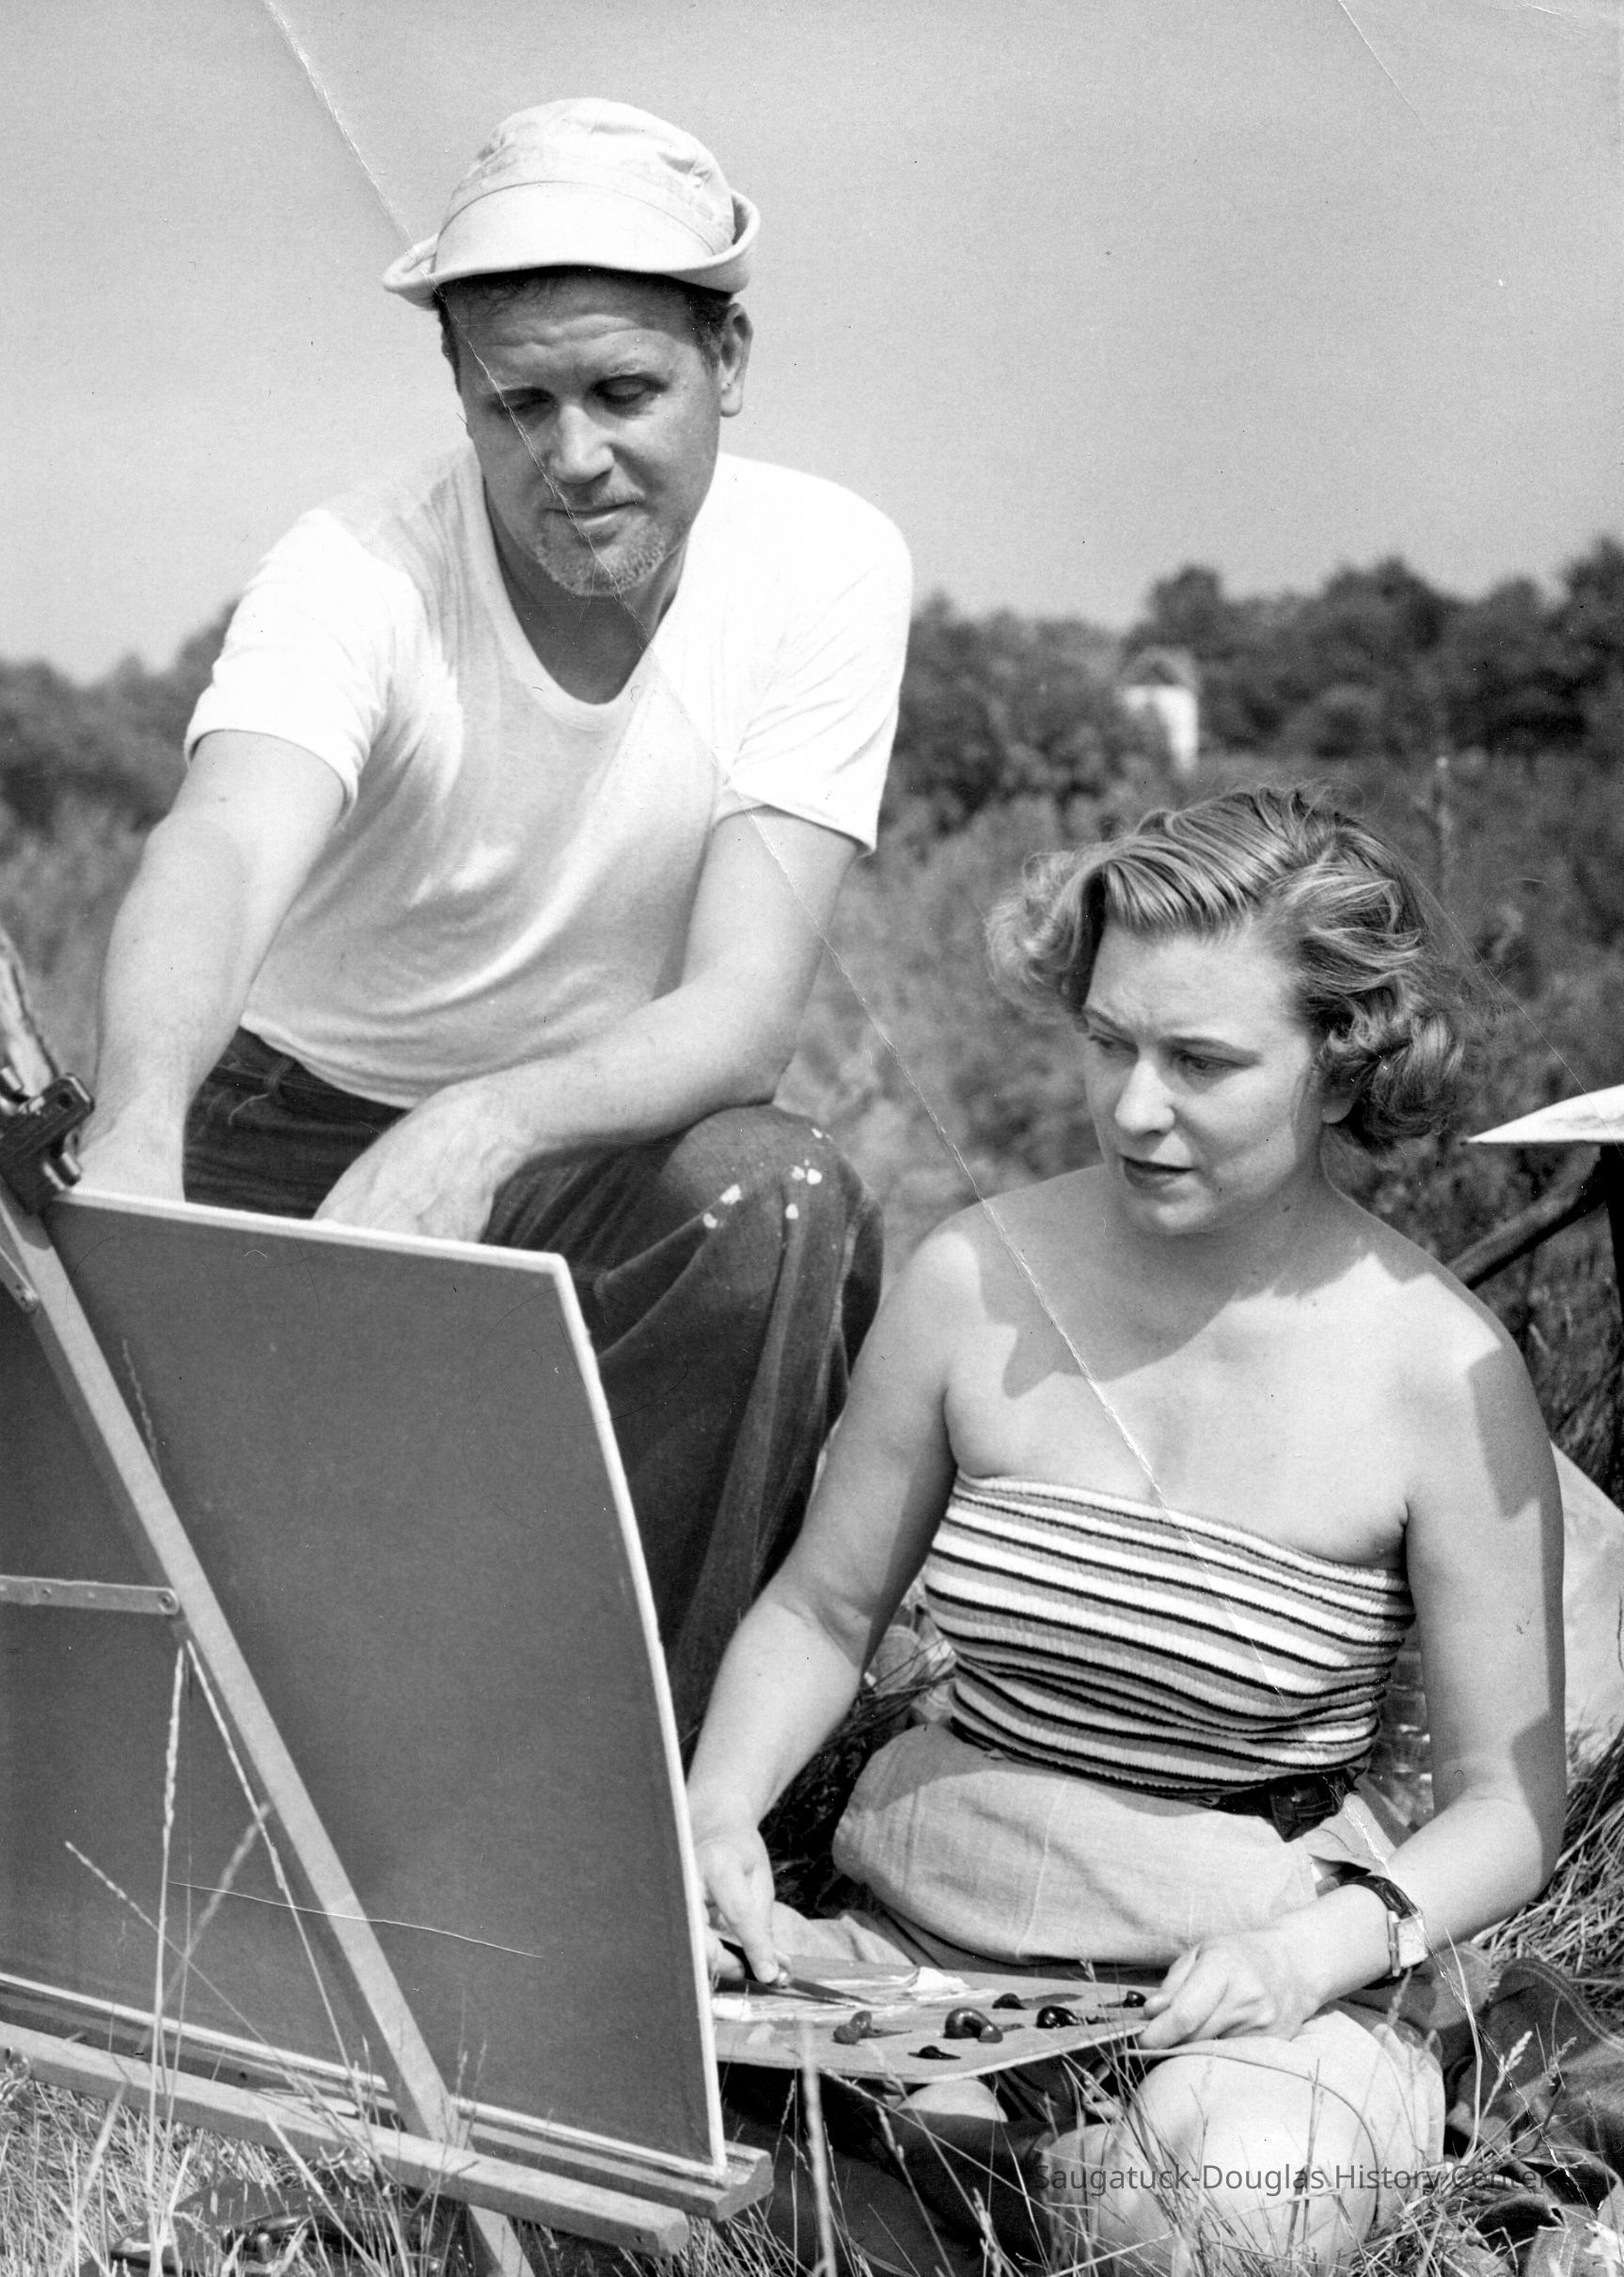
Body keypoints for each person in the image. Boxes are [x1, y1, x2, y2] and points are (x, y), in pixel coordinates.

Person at [75, 100, 912, 1743]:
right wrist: (138, 1129)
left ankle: (632, 1777)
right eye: (518, 403)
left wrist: (479, 1129)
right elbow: (223, 843)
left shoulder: (825, 564)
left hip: (584, 1141)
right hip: (283, 1118)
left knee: (775, 1199)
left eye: (625, 392)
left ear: (729, 359)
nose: (573, 456)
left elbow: (744, 1007)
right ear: (456, 386)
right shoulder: (357, 565)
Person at [688, 785, 1566, 2271]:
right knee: (595, 2086)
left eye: (1200, 1061)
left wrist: (1308, 1953)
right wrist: (718, 1809)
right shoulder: (973, 1278)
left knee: (1226, 2205)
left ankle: (985, 2199)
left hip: (1256, 1980)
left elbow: (1508, 1804)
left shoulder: (1446, 1372)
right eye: (1109, 1042)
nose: (1134, 1106)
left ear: (1341, 1061)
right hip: (927, 1948)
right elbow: (823, 1612)